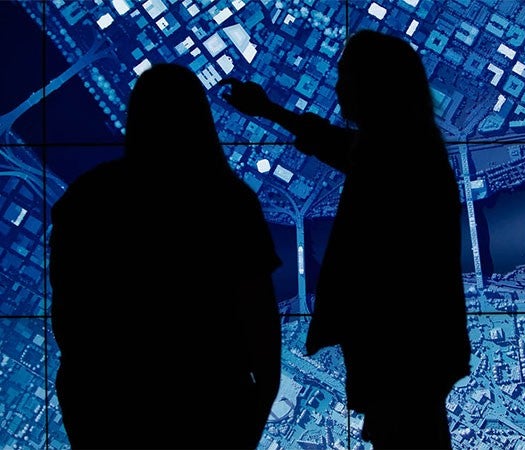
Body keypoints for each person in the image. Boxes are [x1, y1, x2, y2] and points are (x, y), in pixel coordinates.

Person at [221, 29, 471, 449]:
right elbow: (338, 145)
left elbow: (342, 149)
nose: (336, 87)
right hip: (412, 355)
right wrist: (268, 110)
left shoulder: (396, 158)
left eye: (345, 77)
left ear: (372, 87)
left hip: (400, 355)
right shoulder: (406, 150)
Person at [49, 63, 282, 449]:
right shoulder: (229, 201)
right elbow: (259, 319)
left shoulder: (88, 198)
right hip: (210, 409)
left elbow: (69, 314)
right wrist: (255, 406)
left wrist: (87, 400)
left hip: (108, 413)